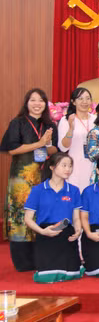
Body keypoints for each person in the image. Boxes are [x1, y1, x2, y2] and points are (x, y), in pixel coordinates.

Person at [1, 88, 58, 271]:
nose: (37, 104)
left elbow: (54, 150)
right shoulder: (18, 123)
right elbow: (12, 149)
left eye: (41, 100)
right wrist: (39, 144)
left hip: (43, 177)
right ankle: (22, 261)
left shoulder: (50, 125)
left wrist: (47, 145)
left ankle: (40, 256)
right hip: (21, 179)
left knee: (41, 214)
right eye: (33, 100)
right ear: (27, 103)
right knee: (20, 215)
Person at [23, 152, 83, 283]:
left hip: (66, 234)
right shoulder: (38, 190)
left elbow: (76, 218)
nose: (68, 169)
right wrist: (42, 231)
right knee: (46, 277)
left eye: (70, 166)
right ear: (52, 167)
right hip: (45, 234)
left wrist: (78, 231)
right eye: (64, 165)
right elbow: (28, 219)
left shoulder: (74, 190)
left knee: (72, 275)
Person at [57, 87, 95, 191]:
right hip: (75, 165)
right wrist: (70, 129)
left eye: (88, 98)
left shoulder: (95, 120)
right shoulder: (66, 120)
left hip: (93, 164)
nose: (85, 102)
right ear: (73, 102)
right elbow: (63, 147)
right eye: (80, 99)